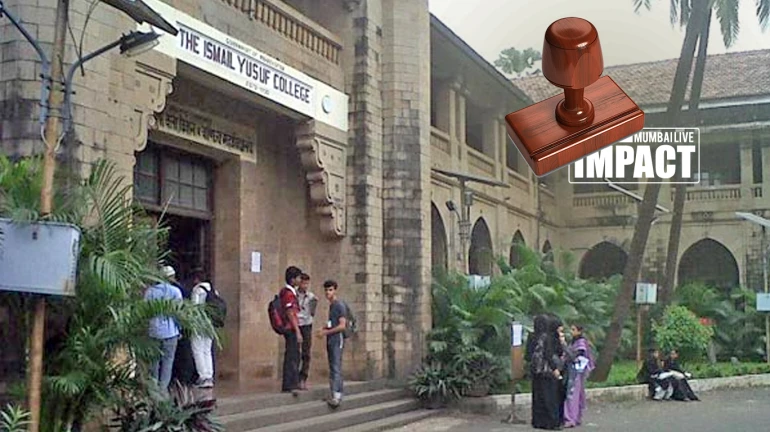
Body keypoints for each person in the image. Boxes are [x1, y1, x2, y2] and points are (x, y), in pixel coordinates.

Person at [145, 265, 183, 393]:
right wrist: (179, 328)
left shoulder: (150, 291)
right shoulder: (175, 292)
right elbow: (178, 312)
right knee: (168, 361)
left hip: (154, 331)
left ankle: (153, 388)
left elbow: (145, 312)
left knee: (154, 362)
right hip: (171, 331)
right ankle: (163, 388)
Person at [529, 314, 566, 430]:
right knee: (550, 396)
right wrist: (555, 369)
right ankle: (551, 422)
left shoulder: (532, 336)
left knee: (537, 396)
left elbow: (528, 354)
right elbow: (549, 354)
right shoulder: (547, 337)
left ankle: (538, 421)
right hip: (547, 371)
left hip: (536, 370)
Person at [318, 279, 347, 408]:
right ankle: (334, 392)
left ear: (335, 290)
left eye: (330, 290)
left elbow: (342, 326)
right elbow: (333, 323)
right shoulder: (332, 306)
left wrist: (326, 332)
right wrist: (325, 327)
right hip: (331, 340)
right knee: (333, 366)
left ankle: (337, 395)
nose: (328, 293)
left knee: (336, 366)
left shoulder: (339, 305)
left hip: (337, 340)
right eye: (326, 290)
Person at [563, 324, 595, 428]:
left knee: (572, 395)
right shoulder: (574, 342)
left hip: (576, 372)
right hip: (572, 371)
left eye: (573, 329)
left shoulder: (581, 343)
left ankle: (571, 418)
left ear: (579, 331)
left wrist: (564, 346)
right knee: (576, 394)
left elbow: (574, 356)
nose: (571, 331)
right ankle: (575, 417)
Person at [280, 266, 304, 395]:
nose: (300, 280)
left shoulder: (290, 292)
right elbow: (290, 313)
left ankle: (291, 382)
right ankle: (289, 383)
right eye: (298, 278)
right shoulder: (288, 293)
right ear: (292, 279)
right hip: (290, 328)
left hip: (291, 327)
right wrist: (297, 330)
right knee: (292, 355)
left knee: (293, 355)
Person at [190, 269, 215, 388]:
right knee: (207, 350)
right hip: (210, 324)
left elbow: (194, 308)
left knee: (197, 349)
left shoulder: (197, 290)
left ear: (197, 279)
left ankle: (202, 376)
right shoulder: (213, 290)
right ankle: (209, 376)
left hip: (199, 323)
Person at [297, 273, 318, 390]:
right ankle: (294, 377)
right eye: (303, 283)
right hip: (297, 323)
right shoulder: (294, 295)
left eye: (307, 283)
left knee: (306, 352)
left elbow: (312, 312)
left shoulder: (311, 297)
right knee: (295, 352)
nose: (305, 286)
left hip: (307, 324)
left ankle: (303, 378)